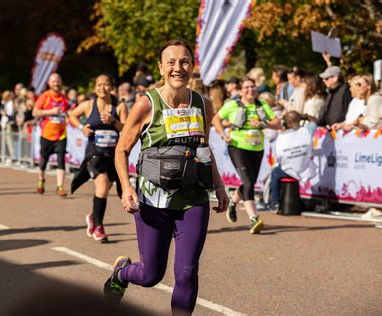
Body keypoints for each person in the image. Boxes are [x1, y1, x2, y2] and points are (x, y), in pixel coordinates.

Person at [104, 39, 228, 315]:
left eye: (184, 61)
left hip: (193, 198)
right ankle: (122, 274)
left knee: (186, 271)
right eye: (171, 62)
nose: (178, 67)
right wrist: (126, 188)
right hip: (153, 200)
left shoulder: (203, 104)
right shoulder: (146, 104)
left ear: (192, 67)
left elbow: (204, 148)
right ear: (161, 68)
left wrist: (218, 185)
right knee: (150, 276)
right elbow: (121, 150)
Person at [213, 76, 281, 233]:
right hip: (238, 147)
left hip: (257, 148)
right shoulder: (232, 105)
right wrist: (224, 134)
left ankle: (233, 202)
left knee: (248, 183)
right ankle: (253, 219)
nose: (250, 90)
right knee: (249, 182)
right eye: (247, 87)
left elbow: (277, 124)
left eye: (253, 87)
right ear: (241, 90)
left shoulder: (262, 105)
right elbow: (216, 119)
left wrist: (264, 123)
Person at [69, 74, 128, 242]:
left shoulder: (120, 106)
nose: (102, 87)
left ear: (112, 87)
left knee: (105, 188)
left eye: (106, 84)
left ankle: (93, 217)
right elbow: (72, 115)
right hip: (94, 153)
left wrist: (113, 122)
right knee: (102, 187)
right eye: (99, 84)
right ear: (95, 88)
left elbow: (126, 126)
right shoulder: (89, 105)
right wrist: (82, 128)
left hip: (112, 155)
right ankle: (99, 227)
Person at [269, 111, 318, 211]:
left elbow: (279, 156)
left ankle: (275, 202)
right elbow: (314, 120)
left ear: (287, 123)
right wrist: (305, 116)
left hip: (288, 171)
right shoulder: (307, 131)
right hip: (305, 169)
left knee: (275, 172)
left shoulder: (282, 136)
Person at [33, 73, 70, 197]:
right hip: (47, 135)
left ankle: (60, 187)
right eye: (53, 81)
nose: (56, 83)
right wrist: (50, 112)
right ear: (49, 83)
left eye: (58, 81)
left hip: (61, 135)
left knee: (61, 161)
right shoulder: (45, 96)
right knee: (43, 161)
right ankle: (41, 179)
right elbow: (35, 112)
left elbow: (68, 112)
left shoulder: (64, 97)